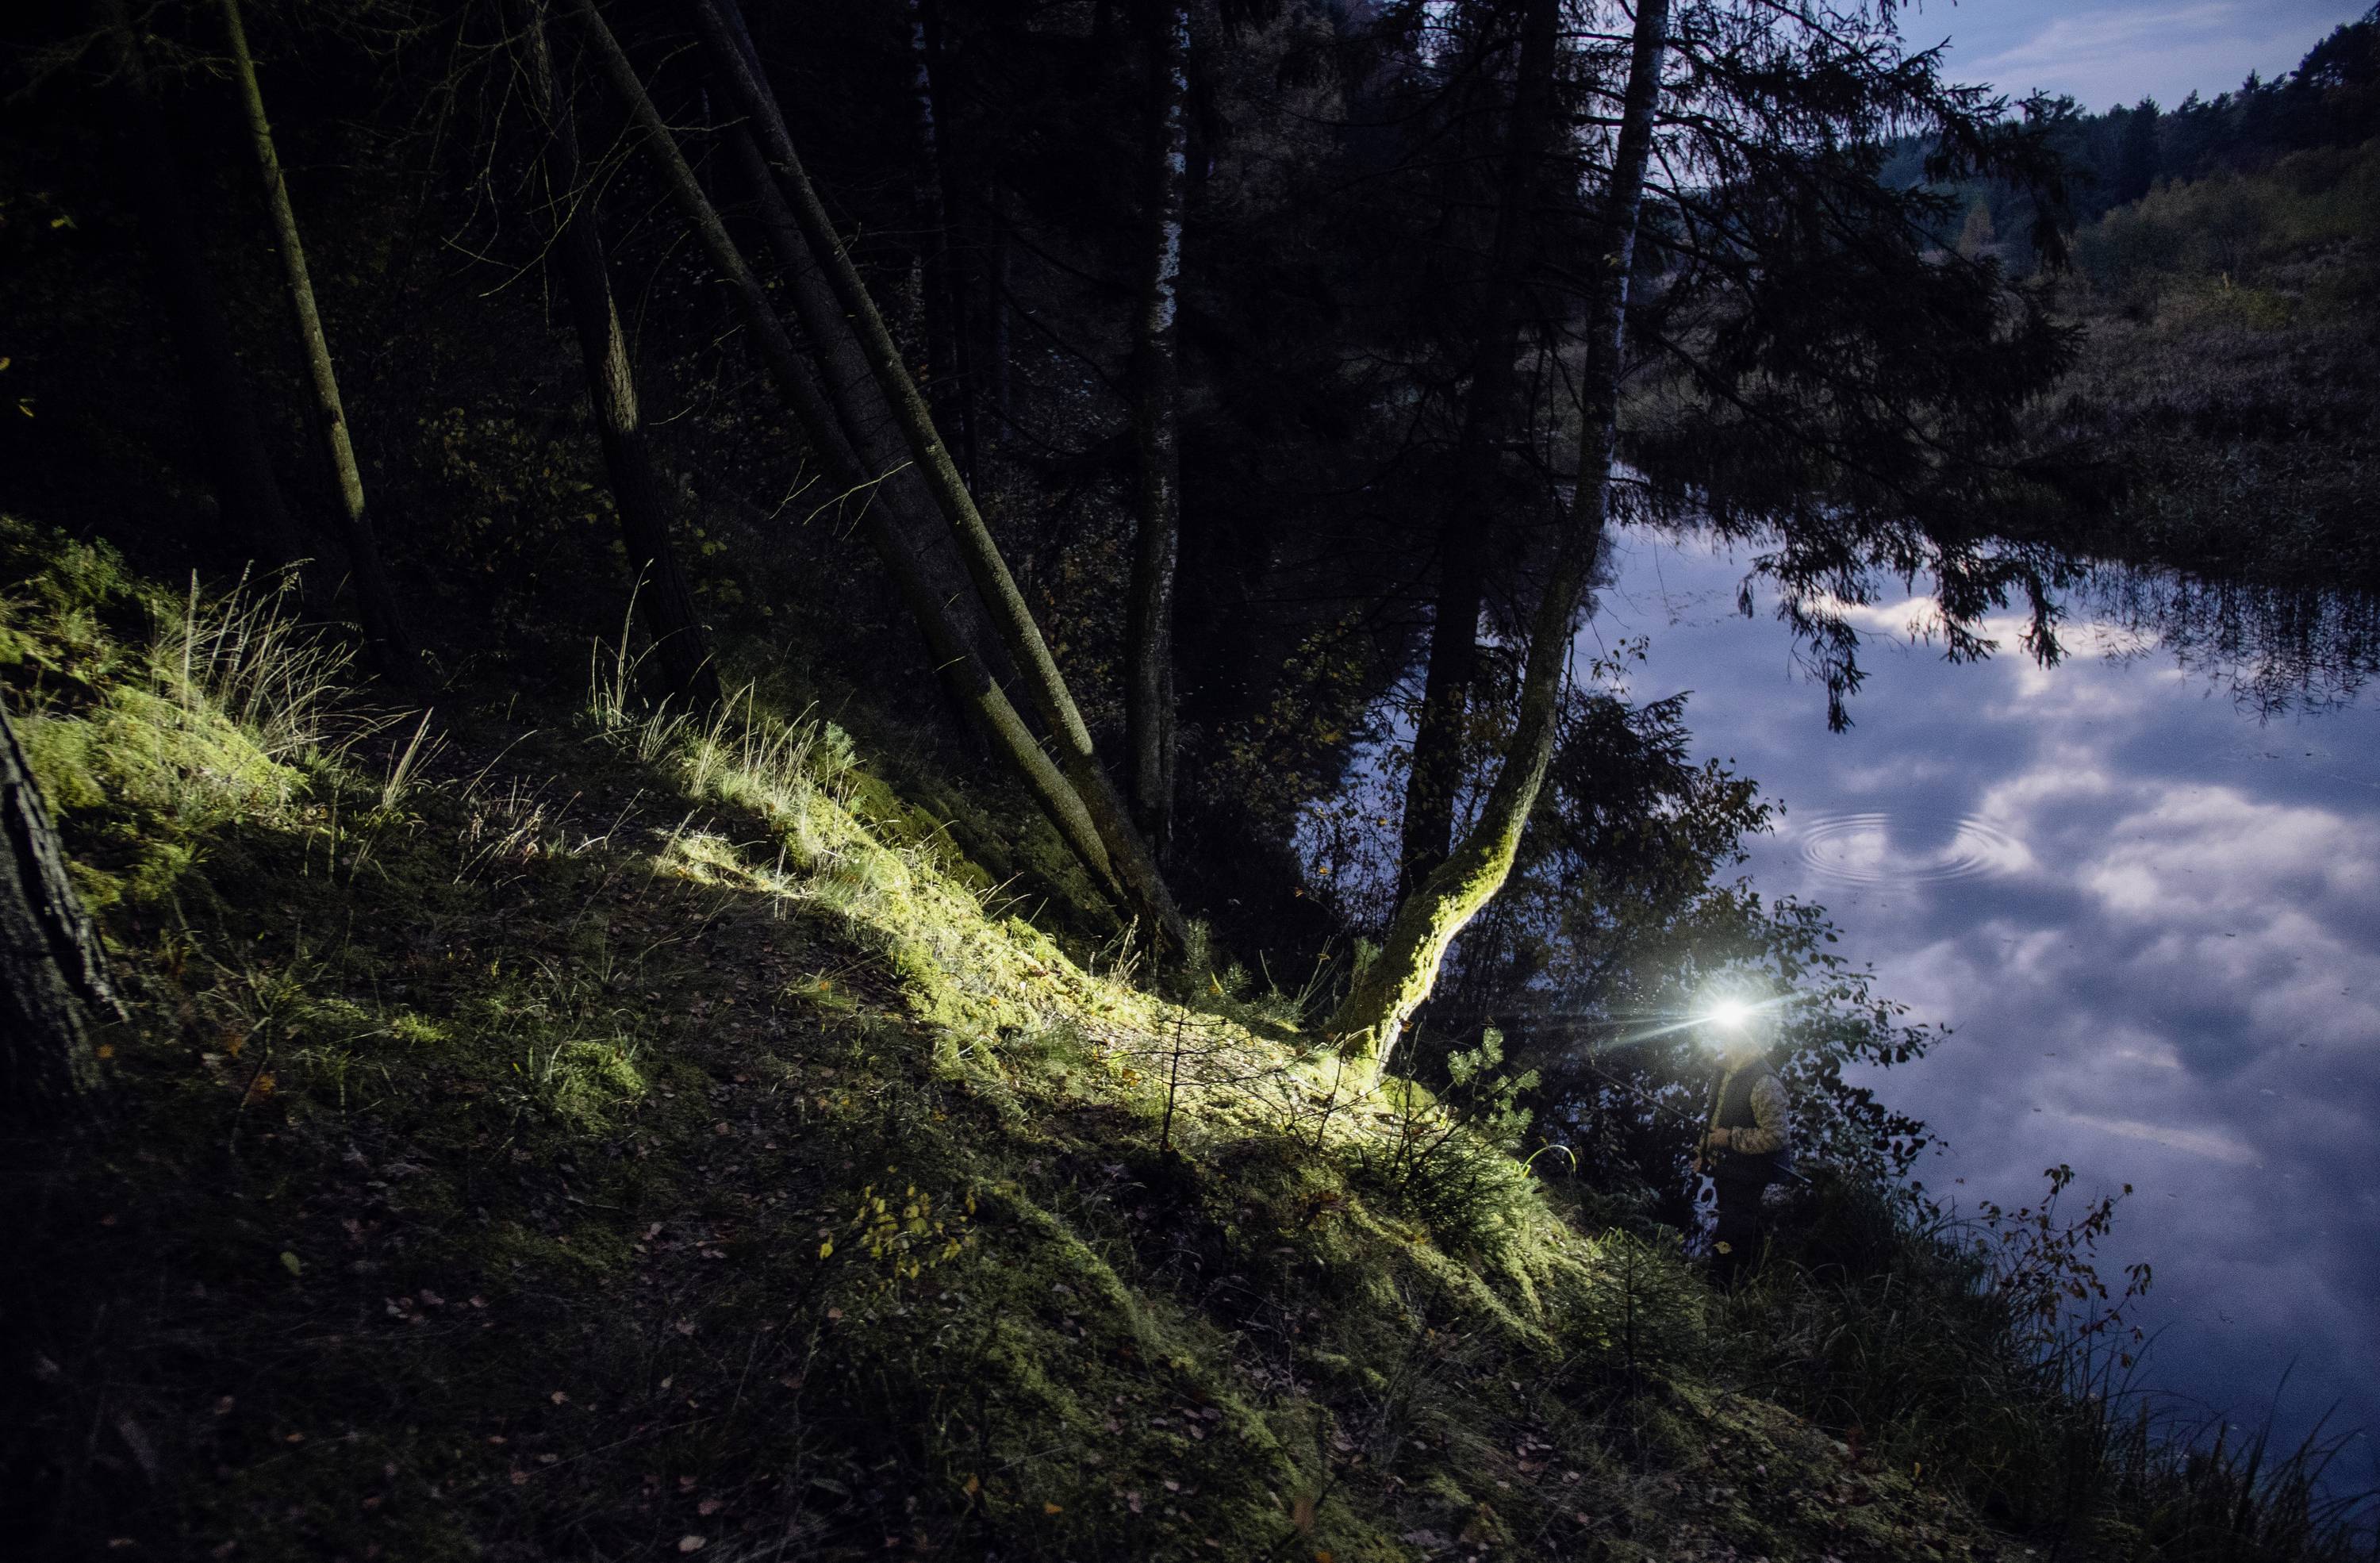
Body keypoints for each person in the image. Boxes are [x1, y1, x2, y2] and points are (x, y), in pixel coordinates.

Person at [1696, 1012, 1792, 1287]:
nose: (1726, 1038)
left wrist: (1731, 1139)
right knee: (1732, 1230)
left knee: (1731, 1233)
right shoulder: (1726, 1070)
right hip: (1729, 1169)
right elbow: (1714, 1118)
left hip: (1751, 1175)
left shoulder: (1765, 1084)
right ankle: (1731, 1283)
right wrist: (1702, 1151)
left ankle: (1721, 1291)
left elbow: (1776, 1137)